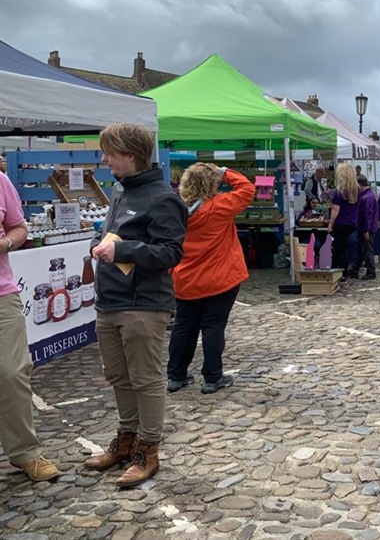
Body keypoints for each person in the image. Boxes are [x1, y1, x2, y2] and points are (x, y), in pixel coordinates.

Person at [84, 122, 187, 488]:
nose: (104, 158)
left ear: (130, 154)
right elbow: (117, 235)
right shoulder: (119, 191)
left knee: (145, 379)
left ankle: (148, 449)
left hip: (143, 304)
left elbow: (171, 253)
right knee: (118, 376)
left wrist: (122, 250)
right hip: (109, 301)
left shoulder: (163, 198)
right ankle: (126, 440)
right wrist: (101, 243)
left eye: (109, 152)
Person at [167, 163, 255, 395]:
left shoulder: (175, 211)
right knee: (213, 327)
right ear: (212, 183)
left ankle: (176, 375)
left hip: (186, 278)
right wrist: (224, 171)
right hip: (220, 278)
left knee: (184, 326)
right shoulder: (218, 207)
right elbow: (247, 189)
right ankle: (212, 377)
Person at [0, 172, 61, 482]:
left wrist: (6, 242)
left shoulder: (0, 180)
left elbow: (19, 227)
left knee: (12, 372)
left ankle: (25, 452)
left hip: (1, 294)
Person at [328, 162, 359, 282]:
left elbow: (336, 209)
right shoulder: (356, 190)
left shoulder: (340, 190)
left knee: (337, 249)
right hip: (351, 222)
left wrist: (331, 223)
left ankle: (336, 272)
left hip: (340, 222)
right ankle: (344, 273)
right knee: (344, 248)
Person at [348, 176, 378, 280]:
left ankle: (371, 271)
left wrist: (367, 230)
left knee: (366, 250)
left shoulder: (367, 197)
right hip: (363, 227)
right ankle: (354, 270)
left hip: (365, 228)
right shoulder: (367, 195)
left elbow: (367, 215)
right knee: (360, 250)